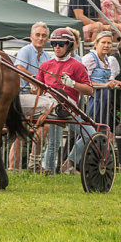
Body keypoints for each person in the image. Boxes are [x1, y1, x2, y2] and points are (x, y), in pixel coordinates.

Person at [69, 31, 121, 168]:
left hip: (104, 101)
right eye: (103, 42)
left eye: (109, 43)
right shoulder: (89, 59)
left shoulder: (107, 60)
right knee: (90, 131)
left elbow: (108, 80)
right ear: (96, 44)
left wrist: (117, 83)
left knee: (100, 132)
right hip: (93, 100)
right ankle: (72, 162)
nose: (106, 45)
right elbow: (85, 81)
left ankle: (89, 165)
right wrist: (106, 85)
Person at [37, 28, 93, 175]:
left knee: (91, 135)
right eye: (54, 43)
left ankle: (69, 162)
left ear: (68, 45)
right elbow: (37, 89)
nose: (57, 47)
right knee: (53, 144)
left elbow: (89, 90)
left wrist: (72, 84)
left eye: (61, 44)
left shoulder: (77, 65)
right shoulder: (45, 65)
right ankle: (48, 173)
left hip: (70, 110)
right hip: (52, 109)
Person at [12, 22, 52, 172]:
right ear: (31, 37)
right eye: (38, 35)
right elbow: (19, 69)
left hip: (37, 100)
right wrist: (36, 81)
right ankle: (13, 168)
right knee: (19, 132)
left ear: (47, 39)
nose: (40, 38)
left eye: (43, 36)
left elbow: (48, 77)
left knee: (45, 127)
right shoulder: (26, 50)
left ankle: (33, 164)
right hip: (21, 96)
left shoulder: (47, 56)